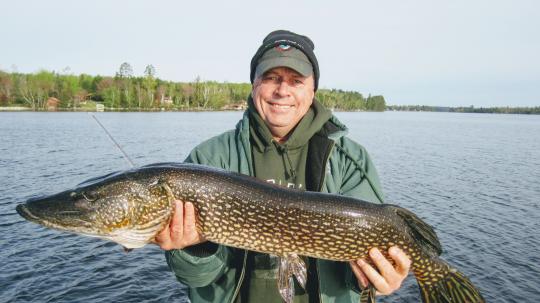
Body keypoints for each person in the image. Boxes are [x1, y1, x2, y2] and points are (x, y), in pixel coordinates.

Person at [155, 30, 411, 302]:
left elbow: (358, 278)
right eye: (271, 78)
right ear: (254, 84)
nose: (282, 90)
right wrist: (195, 250)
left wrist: (378, 278)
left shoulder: (351, 162)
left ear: (312, 91)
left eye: (296, 80)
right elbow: (196, 279)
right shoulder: (208, 160)